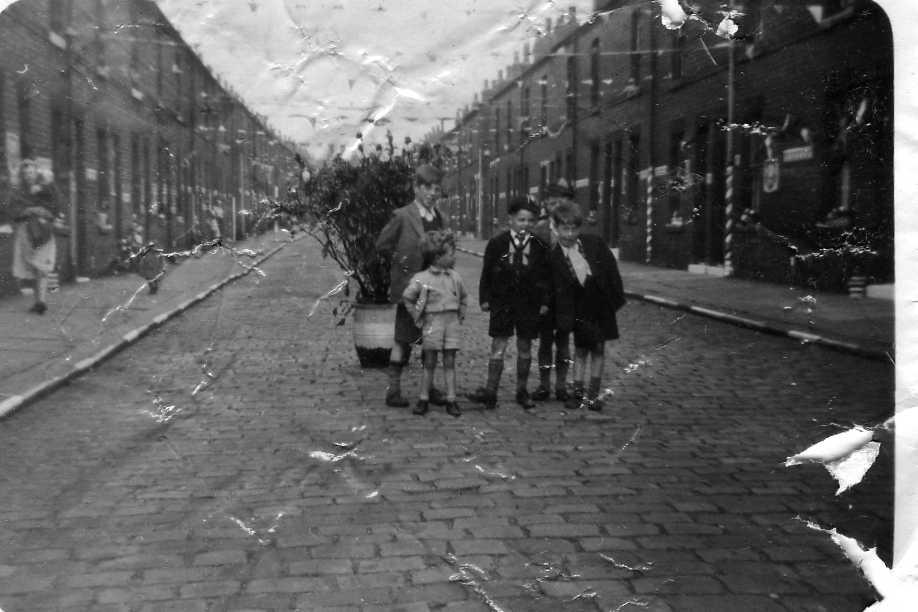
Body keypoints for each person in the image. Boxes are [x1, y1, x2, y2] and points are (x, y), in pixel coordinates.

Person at [375, 164, 449, 408]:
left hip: (436, 289)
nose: (432, 193)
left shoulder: (440, 218)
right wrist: (402, 264)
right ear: (416, 188)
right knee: (403, 339)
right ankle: (393, 390)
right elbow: (382, 244)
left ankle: (430, 388)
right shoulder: (403, 215)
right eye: (427, 187)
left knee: (431, 340)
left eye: (436, 188)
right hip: (411, 290)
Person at [468, 196, 551, 410]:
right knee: (498, 346)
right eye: (521, 220)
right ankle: (491, 391)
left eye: (530, 221)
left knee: (525, 347)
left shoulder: (540, 246)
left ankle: (522, 391)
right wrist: (485, 298)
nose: (525, 225)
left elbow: (546, 276)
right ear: (511, 219)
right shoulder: (497, 243)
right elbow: (486, 273)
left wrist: (544, 301)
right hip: (502, 301)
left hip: (528, 304)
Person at [549, 200, 626, 411]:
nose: (569, 234)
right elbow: (555, 290)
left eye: (574, 229)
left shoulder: (594, 244)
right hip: (579, 309)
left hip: (600, 305)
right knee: (581, 350)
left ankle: (593, 394)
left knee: (599, 349)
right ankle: (577, 393)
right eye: (565, 229)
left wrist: (613, 301)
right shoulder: (554, 257)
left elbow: (612, 273)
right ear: (555, 229)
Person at [402, 230, 467, 417]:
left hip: (451, 322)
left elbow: (463, 297)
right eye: (451, 253)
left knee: (450, 361)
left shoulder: (455, 277)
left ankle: (451, 399)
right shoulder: (422, 279)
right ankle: (423, 398)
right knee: (429, 361)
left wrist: (461, 313)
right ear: (438, 257)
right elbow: (408, 297)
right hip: (433, 322)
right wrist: (417, 316)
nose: (454, 257)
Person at [532, 182, 574, 402]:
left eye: (558, 202)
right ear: (546, 206)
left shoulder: (572, 229)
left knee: (564, 341)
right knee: (545, 342)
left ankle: (561, 386)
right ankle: (544, 385)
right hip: (544, 296)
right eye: (550, 203)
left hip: (566, 296)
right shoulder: (538, 230)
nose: (554, 206)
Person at [9, 159, 61, 315]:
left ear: (36, 172)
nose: (28, 176)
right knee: (32, 268)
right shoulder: (18, 191)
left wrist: (42, 211)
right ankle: (38, 301)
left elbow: (55, 206)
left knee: (42, 267)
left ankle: (41, 301)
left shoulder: (46, 188)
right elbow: (14, 211)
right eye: (24, 173)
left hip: (43, 232)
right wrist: (31, 210)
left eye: (30, 172)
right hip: (26, 233)